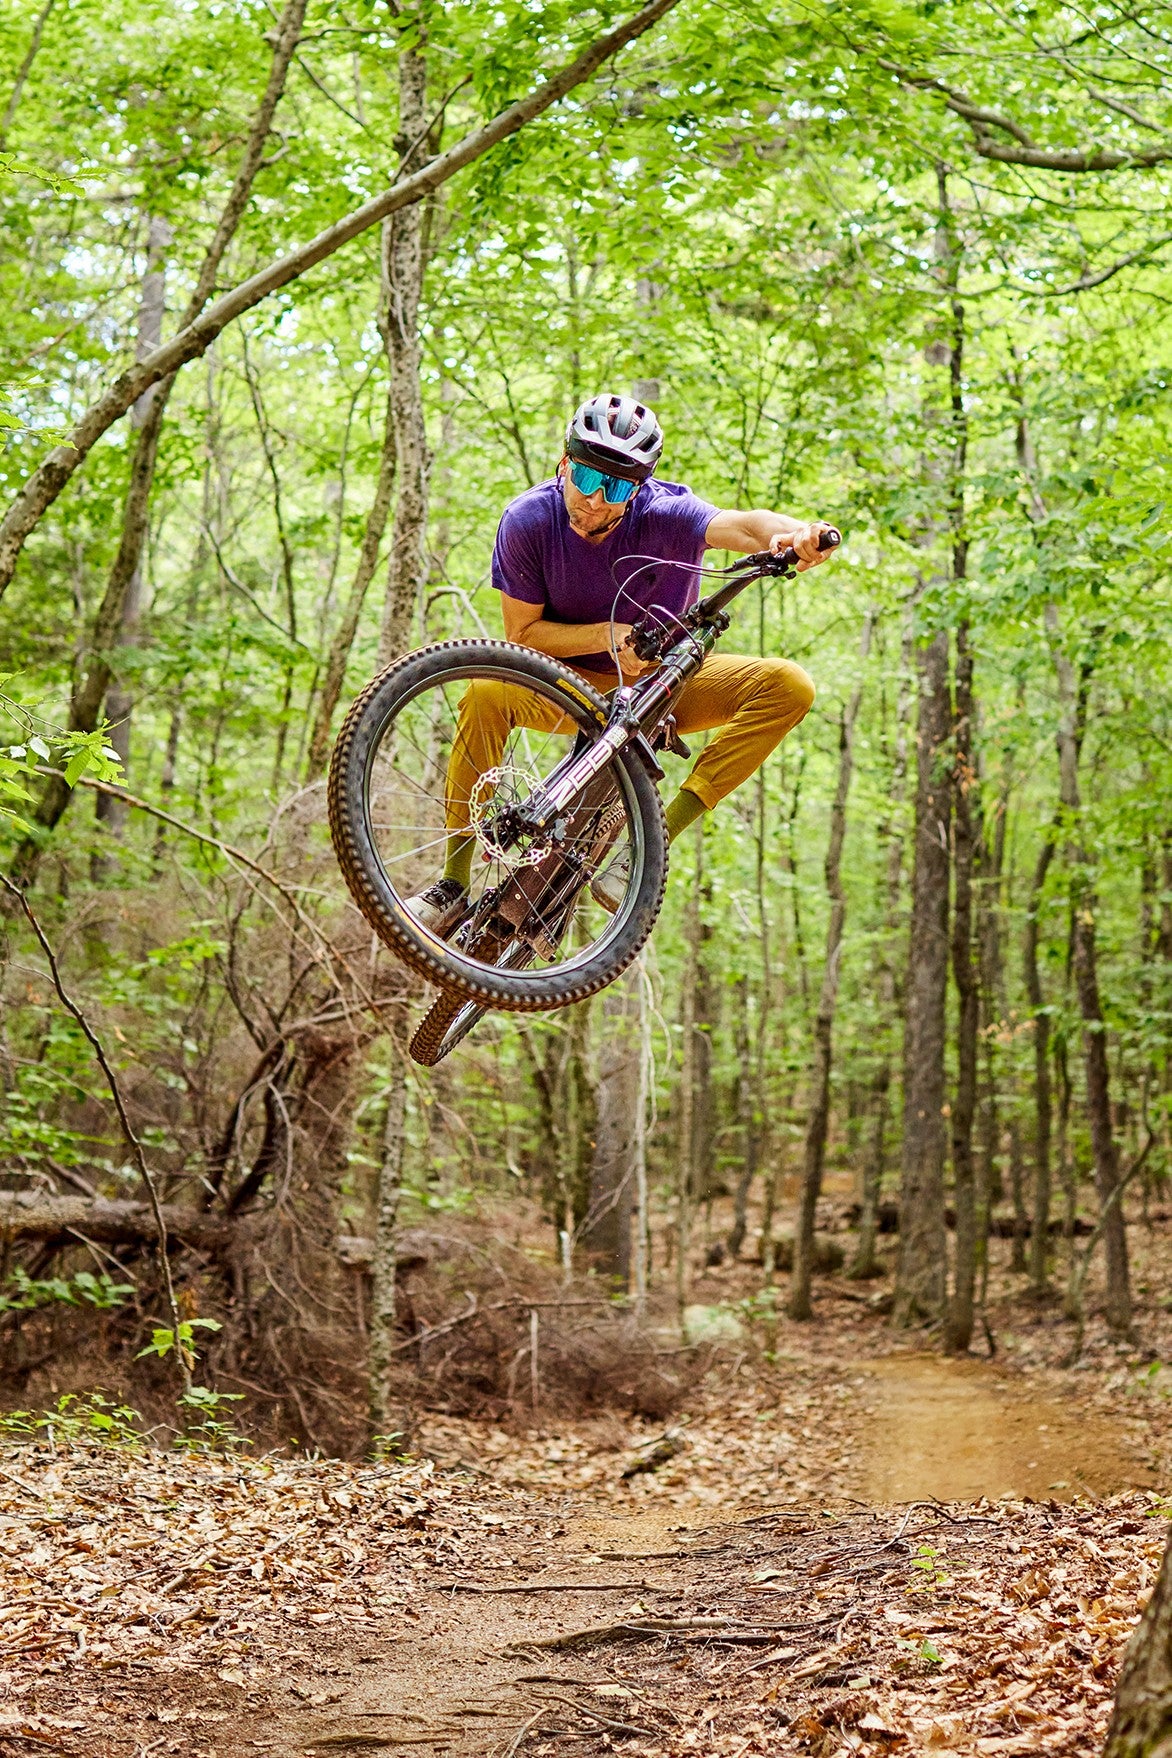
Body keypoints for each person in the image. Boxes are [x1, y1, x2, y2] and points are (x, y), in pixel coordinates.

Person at [407, 392, 837, 935]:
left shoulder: (667, 514)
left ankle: (650, 846)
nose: (594, 500)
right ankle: (453, 879)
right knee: (485, 693)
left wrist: (797, 532)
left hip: (663, 689)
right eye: (585, 479)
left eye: (615, 487)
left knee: (790, 686)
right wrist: (611, 637)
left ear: (636, 489)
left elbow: (748, 527)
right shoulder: (528, 522)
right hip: (570, 684)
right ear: (563, 466)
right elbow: (522, 634)